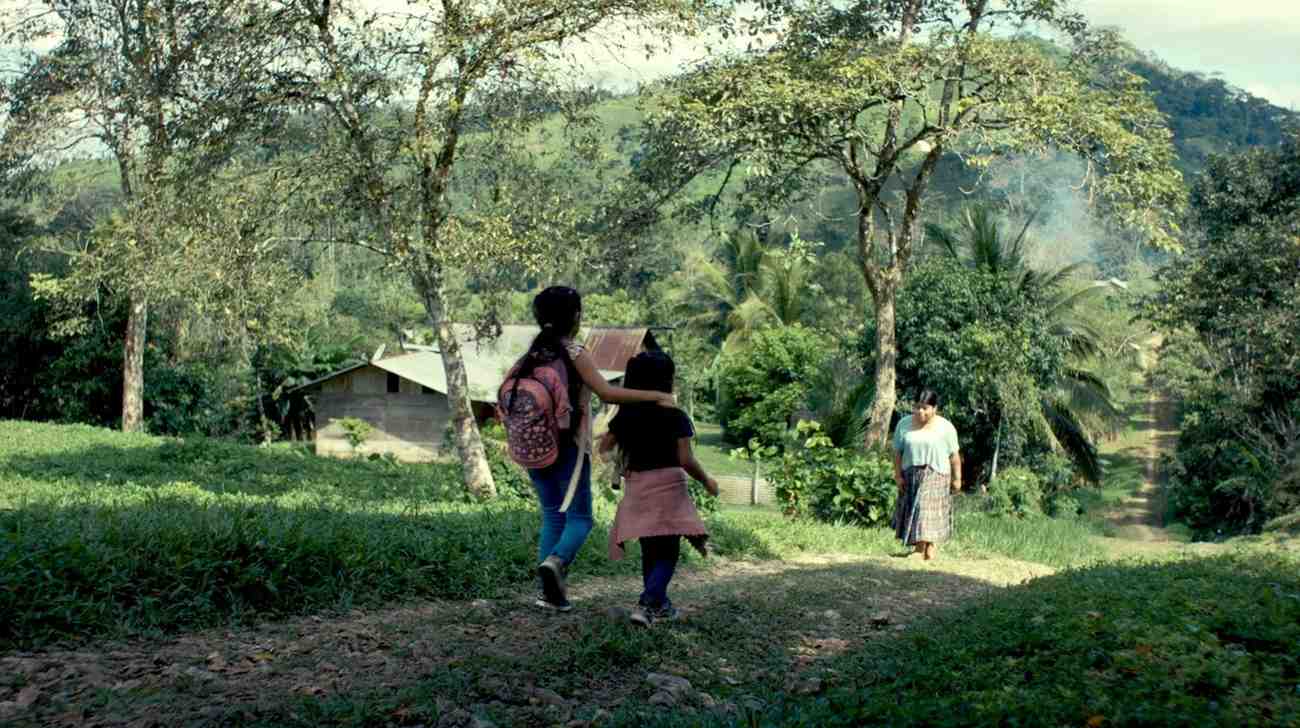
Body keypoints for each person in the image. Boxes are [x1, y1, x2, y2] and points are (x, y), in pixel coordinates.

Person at [512, 286, 676, 612]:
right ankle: (557, 561)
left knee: (552, 515)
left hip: (533, 445)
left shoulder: (529, 357)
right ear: (575, 316)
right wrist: (657, 396)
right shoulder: (573, 352)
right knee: (580, 519)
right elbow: (607, 393)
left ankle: (550, 594)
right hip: (568, 448)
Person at [599, 350, 719, 626]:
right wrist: (707, 481)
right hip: (669, 489)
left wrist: (619, 462)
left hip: (637, 488)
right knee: (668, 552)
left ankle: (660, 605)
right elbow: (685, 459)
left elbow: (604, 448)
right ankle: (647, 604)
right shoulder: (675, 416)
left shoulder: (625, 417)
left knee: (650, 549)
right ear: (666, 382)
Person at [891, 389, 962, 560]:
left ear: (934, 408)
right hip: (911, 474)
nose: (920, 412)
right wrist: (898, 476)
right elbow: (897, 453)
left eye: (925, 408)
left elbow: (954, 456)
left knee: (925, 509)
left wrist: (957, 479)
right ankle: (928, 547)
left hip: (936, 473)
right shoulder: (904, 424)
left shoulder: (946, 427)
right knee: (918, 511)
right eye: (917, 407)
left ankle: (920, 549)